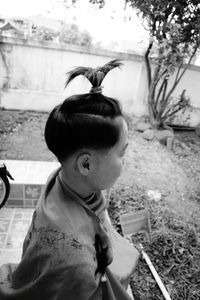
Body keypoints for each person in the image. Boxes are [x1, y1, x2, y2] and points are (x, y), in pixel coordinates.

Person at [0, 59, 139, 299]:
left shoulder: (64, 179)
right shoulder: (77, 263)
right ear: (86, 164)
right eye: (122, 152)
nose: (125, 161)